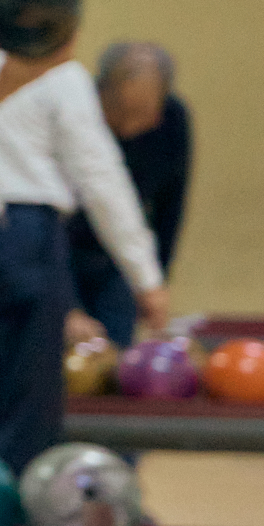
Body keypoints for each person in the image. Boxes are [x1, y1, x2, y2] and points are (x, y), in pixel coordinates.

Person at [0, 27, 170, 477]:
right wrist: (147, 278)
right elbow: (101, 178)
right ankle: (24, 520)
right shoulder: (61, 75)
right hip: (25, 235)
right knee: (34, 403)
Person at [69, 42, 193, 348]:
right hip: (61, 251)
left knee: (114, 355)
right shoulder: (74, 115)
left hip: (119, 260)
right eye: (119, 112)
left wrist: (154, 282)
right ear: (99, 93)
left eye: (140, 114)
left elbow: (169, 208)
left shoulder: (173, 123)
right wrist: (65, 306)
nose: (127, 126)